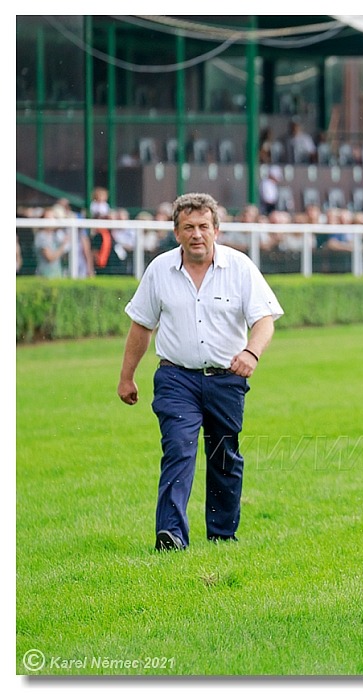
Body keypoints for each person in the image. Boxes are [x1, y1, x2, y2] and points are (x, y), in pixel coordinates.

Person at [117, 192, 284, 551]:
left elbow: (264, 321)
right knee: (178, 448)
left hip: (227, 380)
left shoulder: (240, 268)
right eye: (188, 227)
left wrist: (252, 354)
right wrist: (126, 376)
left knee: (225, 455)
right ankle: (172, 535)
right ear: (176, 232)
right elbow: (141, 327)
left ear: (216, 230)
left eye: (203, 226)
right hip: (176, 378)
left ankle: (222, 535)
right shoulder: (159, 270)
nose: (197, 234)